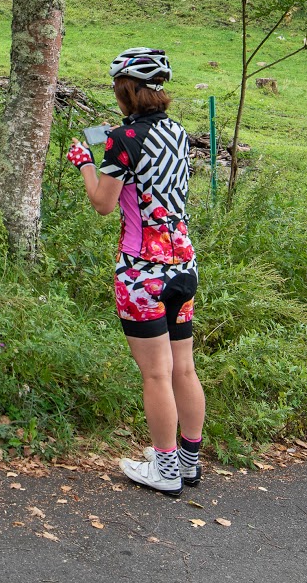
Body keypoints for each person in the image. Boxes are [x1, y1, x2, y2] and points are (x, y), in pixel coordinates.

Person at [67, 47, 204, 496]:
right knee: (183, 369)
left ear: (125, 90)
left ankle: (163, 471)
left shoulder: (121, 140)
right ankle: (187, 463)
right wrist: (113, 139)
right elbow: (148, 158)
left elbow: (104, 204)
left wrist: (87, 163)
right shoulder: (178, 133)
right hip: (184, 266)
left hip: (143, 274)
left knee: (156, 374)